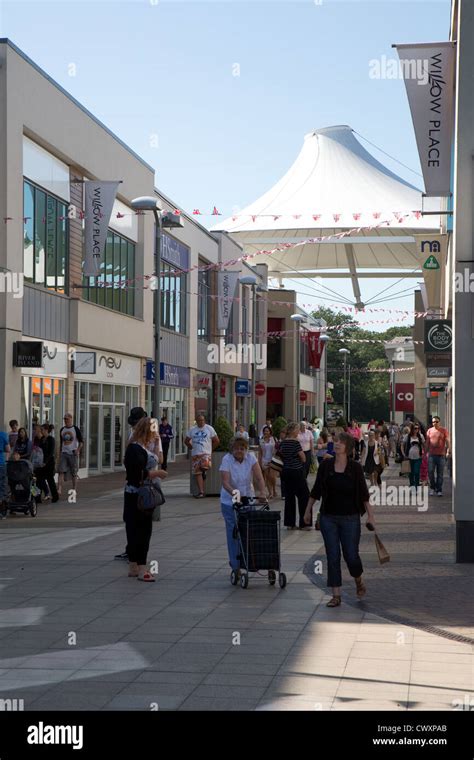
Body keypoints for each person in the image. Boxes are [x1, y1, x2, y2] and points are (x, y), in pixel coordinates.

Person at [304, 432, 375, 607]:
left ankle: (358, 579)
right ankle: (336, 595)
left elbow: (364, 495)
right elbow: (316, 490)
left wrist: (371, 515)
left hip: (350, 518)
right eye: (335, 441)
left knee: (351, 556)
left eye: (341, 442)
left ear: (348, 448)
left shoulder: (355, 468)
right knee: (332, 555)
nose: (337, 444)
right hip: (329, 517)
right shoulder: (326, 466)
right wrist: (307, 511)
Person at [123, 417, 167, 582]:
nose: (154, 435)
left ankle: (134, 566)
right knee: (141, 530)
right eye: (152, 432)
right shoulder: (135, 449)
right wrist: (156, 473)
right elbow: (135, 474)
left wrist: (156, 445)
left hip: (137, 494)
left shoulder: (140, 447)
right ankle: (142, 567)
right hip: (138, 495)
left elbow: (155, 459)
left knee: (135, 529)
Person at [219, 436, 267, 576]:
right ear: (232, 449)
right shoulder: (226, 459)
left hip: (248, 498)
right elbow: (225, 482)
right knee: (233, 533)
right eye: (236, 448)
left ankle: (249, 561)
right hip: (229, 501)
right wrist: (235, 493)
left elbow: (258, 477)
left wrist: (262, 492)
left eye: (242, 448)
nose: (239, 451)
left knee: (248, 531)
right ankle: (235, 565)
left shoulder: (251, 458)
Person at [279, 422, 310, 530]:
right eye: (297, 429)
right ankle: (305, 523)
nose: (298, 431)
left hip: (286, 471)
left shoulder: (283, 443)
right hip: (297, 471)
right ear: (293, 431)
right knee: (304, 496)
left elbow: (281, 455)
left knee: (289, 497)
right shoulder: (295, 443)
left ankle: (290, 523)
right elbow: (303, 458)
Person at [185, 414, 219, 498]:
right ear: (196, 421)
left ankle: (204, 474)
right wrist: (191, 448)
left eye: (202, 420)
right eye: (199, 420)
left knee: (204, 467)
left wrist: (210, 450)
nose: (201, 422)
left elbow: (216, 441)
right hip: (195, 455)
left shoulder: (209, 429)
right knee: (197, 473)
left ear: (205, 420)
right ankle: (201, 491)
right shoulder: (192, 429)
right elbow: (186, 441)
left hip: (205, 454)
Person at [58, 413, 83, 496]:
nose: (65, 421)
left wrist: (78, 450)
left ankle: (74, 489)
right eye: (64, 419)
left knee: (74, 472)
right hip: (64, 453)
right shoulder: (62, 430)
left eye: (67, 419)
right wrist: (59, 453)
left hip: (73, 453)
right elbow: (61, 443)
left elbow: (81, 442)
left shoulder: (75, 429)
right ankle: (59, 488)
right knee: (61, 471)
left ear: (71, 419)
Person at [426, 416, 450, 496]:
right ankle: (432, 487)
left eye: (436, 421)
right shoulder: (429, 431)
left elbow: (447, 441)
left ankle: (439, 489)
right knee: (430, 472)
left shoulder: (444, 430)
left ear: (439, 422)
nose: (435, 423)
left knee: (440, 474)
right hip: (431, 455)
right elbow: (427, 442)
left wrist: (448, 451)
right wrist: (425, 453)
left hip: (441, 456)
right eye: (433, 422)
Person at [401, 422, 425, 490]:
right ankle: (412, 486)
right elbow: (402, 445)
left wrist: (424, 453)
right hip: (409, 457)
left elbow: (424, 445)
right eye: (415, 428)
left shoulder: (421, 436)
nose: (416, 430)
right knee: (411, 473)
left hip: (418, 457)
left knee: (416, 472)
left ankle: (417, 486)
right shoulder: (408, 436)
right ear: (412, 429)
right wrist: (403, 454)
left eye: (417, 428)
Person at [40, 423, 59, 503]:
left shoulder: (51, 439)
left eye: (42, 430)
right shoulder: (42, 439)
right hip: (42, 462)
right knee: (40, 479)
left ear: (46, 430)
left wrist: (46, 462)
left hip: (49, 462)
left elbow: (51, 452)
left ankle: (55, 496)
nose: (41, 431)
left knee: (50, 480)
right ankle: (38, 496)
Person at [258, 426, 277, 499]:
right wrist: (259, 462)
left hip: (272, 460)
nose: (266, 432)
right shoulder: (261, 440)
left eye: (267, 431)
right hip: (264, 460)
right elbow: (260, 452)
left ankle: (274, 489)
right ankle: (270, 493)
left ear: (270, 432)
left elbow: (276, 449)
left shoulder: (273, 439)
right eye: (265, 431)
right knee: (267, 477)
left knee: (272, 476)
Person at [0, 426, 11, 516]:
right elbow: (8, 449)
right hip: (1, 463)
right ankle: (2, 510)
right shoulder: (3, 435)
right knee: (3, 486)